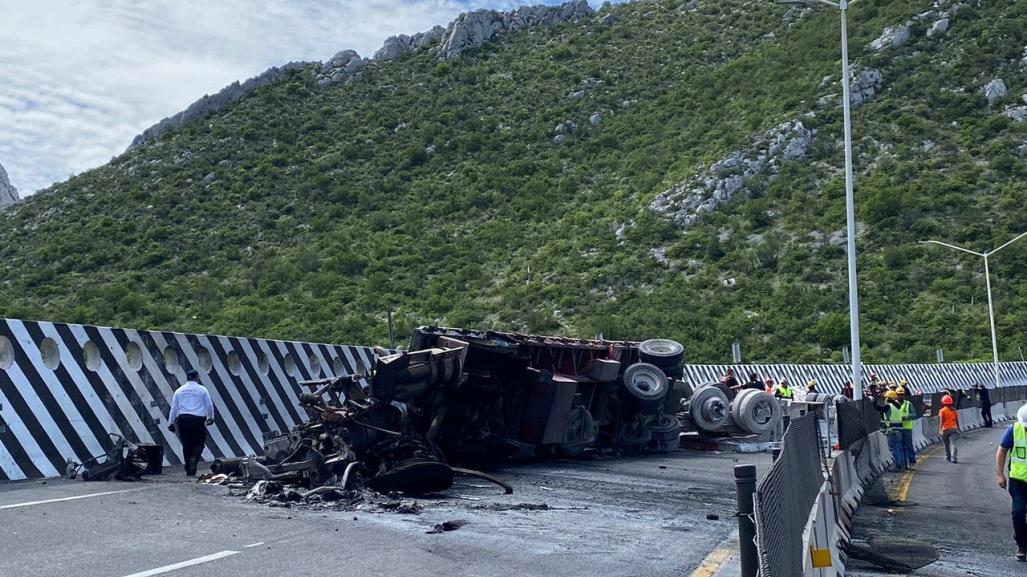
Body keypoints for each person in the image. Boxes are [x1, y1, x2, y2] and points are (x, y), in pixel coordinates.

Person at [995, 404, 1027, 562]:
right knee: (1018, 513)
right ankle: (1022, 545)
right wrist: (1000, 475)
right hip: (1018, 482)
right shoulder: (1014, 430)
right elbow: (1002, 451)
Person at [168, 370, 214, 476]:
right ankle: (194, 458)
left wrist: (171, 422)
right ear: (197, 377)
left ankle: (188, 467)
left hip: (183, 419)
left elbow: (174, 408)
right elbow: (209, 405)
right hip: (198, 420)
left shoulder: (179, 391)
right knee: (199, 443)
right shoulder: (202, 390)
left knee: (186, 444)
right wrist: (210, 418)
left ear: (187, 378)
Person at [881, 390, 908, 470]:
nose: (885, 399)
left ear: (889, 398)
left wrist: (874, 402)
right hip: (899, 428)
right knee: (899, 447)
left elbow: (880, 409)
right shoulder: (898, 406)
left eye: (886, 397)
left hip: (892, 429)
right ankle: (902, 465)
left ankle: (898, 465)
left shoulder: (890, 406)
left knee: (894, 448)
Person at [898, 387, 917, 467]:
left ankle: (912, 462)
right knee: (901, 447)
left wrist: (906, 417)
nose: (900, 396)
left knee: (909, 446)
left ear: (904, 395)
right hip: (898, 428)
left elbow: (914, 414)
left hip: (907, 428)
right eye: (899, 394)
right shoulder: (894, 404)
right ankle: (904, 464)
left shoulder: (908, 404)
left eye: (902, 395)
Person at [939, 394, 959, 463]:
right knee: (953, 443)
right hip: (954, 429)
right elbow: (956, 421)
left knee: (946, 444)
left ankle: (948, 456)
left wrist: (940, 430)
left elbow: (941, 421)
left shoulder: (942, 411)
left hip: (945, 429)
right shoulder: (954, 410)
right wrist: (958, 429)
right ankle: (954, 458)